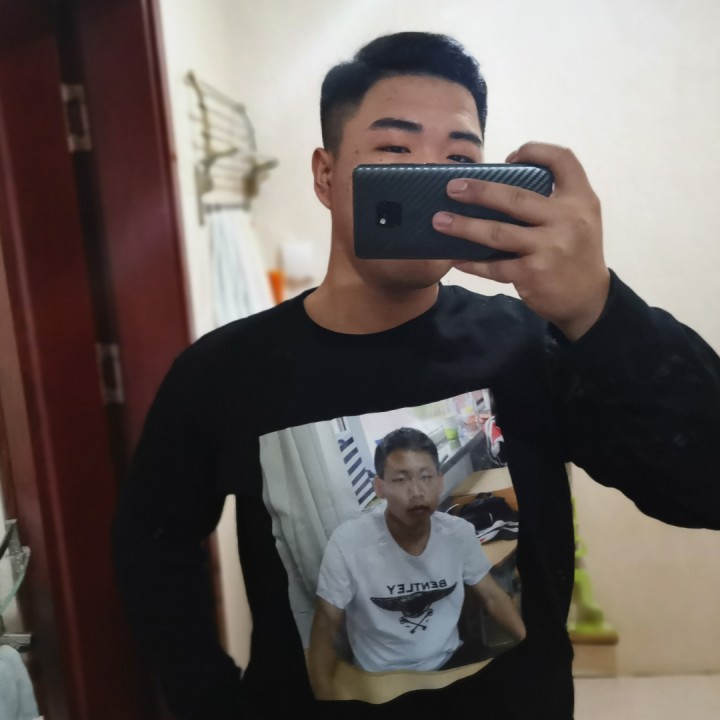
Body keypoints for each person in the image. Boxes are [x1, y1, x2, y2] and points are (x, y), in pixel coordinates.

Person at [112, 31, 720, 720]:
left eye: (458, 159)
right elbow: (153, 548)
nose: (428, 180)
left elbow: (705, 487)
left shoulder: (530, 345)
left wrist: (598, 308)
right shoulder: (224, 372)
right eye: (395, 151)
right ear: (325, 175)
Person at [308, 428, 525, 699]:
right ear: (380, 487)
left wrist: (533, 642)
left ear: (440, 482)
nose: (417, 492)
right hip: (382, 679)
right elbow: (326, 625)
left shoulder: (458, 534)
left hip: (450, 662)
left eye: (426, 477)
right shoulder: (348, 543)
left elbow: (492, 597)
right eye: (401, 480)